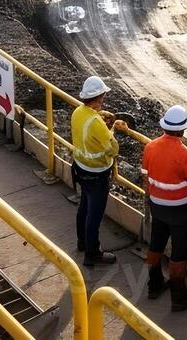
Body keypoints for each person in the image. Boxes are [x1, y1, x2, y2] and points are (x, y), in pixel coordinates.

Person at [140, 105, 187, 311]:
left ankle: (154, 284)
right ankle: (179, 297)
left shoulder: (150, 146)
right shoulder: (186, 154)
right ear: (182, 130)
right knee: (179, 252)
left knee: (156, 243)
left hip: (157, 206)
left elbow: (145, 173)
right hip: (181, 211)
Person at [69, 75, 127, 267]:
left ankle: (82, 242)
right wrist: (112, 129)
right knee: (95, 213)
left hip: (80, 167)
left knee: (84, 207)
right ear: (99, 97)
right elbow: (114, 148)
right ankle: (92, 253)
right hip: (97, 173)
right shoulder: (96, 122)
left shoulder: (78, 112)